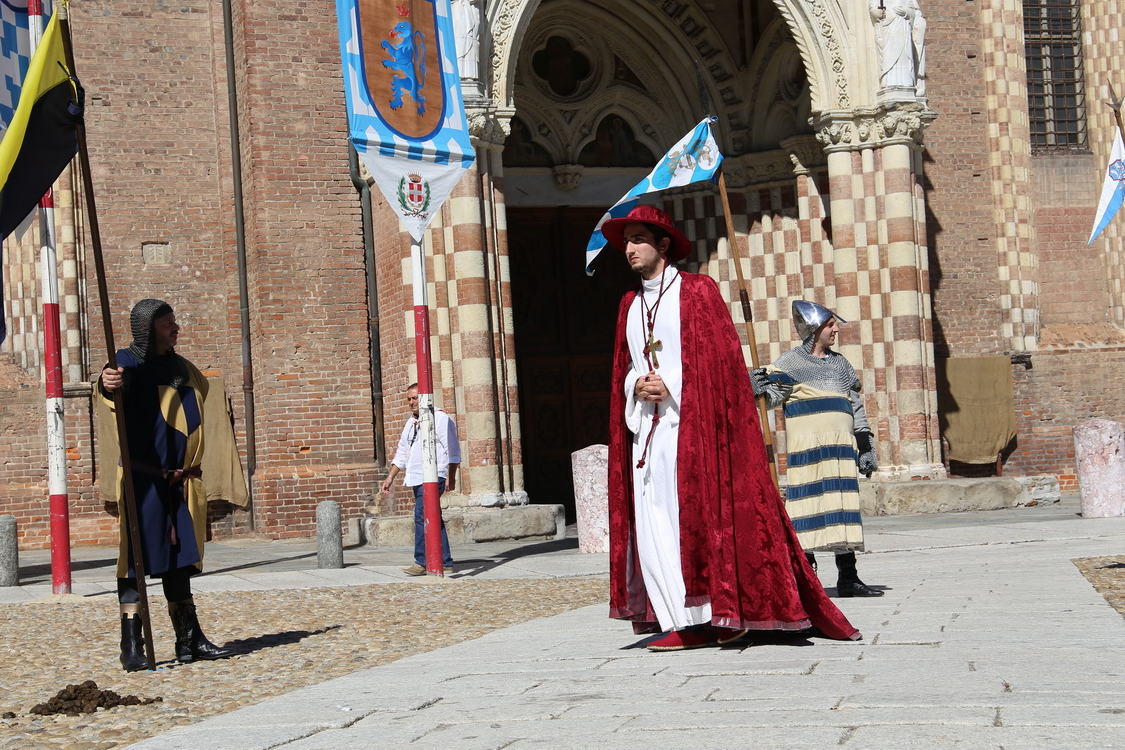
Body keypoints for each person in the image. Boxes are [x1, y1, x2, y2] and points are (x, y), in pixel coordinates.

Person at [604, 204, 860, 651]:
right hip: (649, 431)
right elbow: (625, 368)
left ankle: (711, 615)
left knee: (697, 519)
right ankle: (678, 616)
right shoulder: (629, 303)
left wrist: (673, 382)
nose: (630, 248)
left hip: (695, 429)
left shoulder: (697, 291)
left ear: (664, 245)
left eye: (639, 238)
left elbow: (721, 364)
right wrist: (635, 384)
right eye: (626, 241)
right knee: (655, 521)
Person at [100, 298, 234, 671]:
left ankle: (189, 639)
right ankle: (132, 644)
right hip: (144, 483)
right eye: (166, 324)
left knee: (180, 560)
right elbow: (110, 385)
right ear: (146, 330)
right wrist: (108, 383)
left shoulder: (182, 367)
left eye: (174, 322)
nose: (175, 328)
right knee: (134, 560)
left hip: (180, 482)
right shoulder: (128, 362)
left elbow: (201, 395)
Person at [750, 300, 884, 598]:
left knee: (842, 508)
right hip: (807, 450)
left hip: (840, 449)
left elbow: (856, 407)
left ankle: (848, 578)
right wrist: (756, 387)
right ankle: (804, 578)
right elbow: (770, 399)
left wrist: (866, 447)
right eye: (830, 325)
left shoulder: (841, 364)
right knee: (805, 508)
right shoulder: (790, 363)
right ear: (815, 329)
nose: (836, 329)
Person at [381, 383, 461, 576]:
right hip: (416, 476)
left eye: (415, 398)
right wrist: (391, 476)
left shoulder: (440, 418)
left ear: (425, 398)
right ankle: (445, 560)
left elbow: (453, 450)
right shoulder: (412, 422)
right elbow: (402, 451)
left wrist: (451, 476)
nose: (411, 402)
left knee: (420, 515)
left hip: (434, 475)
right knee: (431, 517)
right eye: (409, 399)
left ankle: (421, 561)